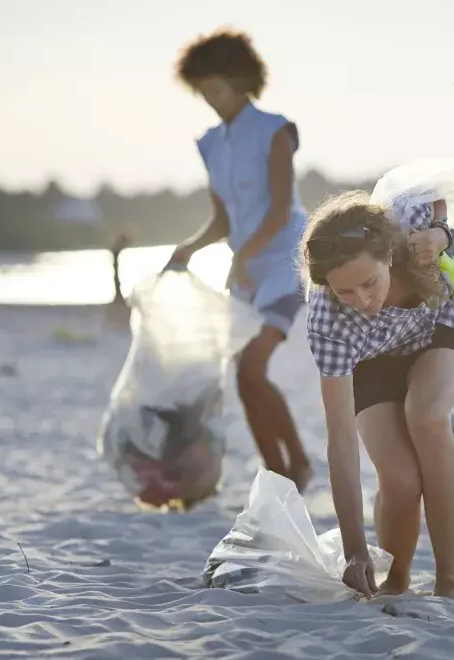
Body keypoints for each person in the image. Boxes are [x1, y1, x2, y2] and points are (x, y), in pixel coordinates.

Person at [300, 190, 454, 600]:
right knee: (399, 476)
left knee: (427, 415)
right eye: (346, 292)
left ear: (389, 256)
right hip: (372, 359)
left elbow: (448, 193)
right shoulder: (326, 320)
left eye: (369, 283)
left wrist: (442, 235)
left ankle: (450, 583)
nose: (362, 301)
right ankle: (396, 582)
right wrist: (354, 551)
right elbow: (341, 441)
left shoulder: (406, 221)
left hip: (438, 327)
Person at [166, 28, 312, 492]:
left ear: (241, 80)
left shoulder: (276, 131)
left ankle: (300, 465)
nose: (211, 100)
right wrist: (188, 246)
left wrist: (243, 256)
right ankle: (279, 475)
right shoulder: (211, 143)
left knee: (252, 366)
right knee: (244, 376)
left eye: (217, 90)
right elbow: (223, 218)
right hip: (245, 267)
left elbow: (280, 208)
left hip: (286, 261)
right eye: (203, 92)